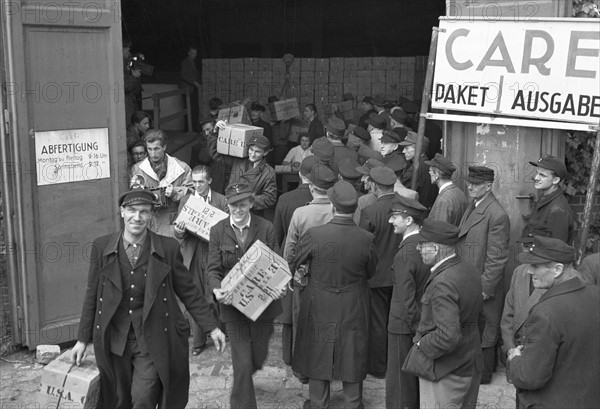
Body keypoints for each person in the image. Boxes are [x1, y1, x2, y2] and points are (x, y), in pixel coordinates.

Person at [69, 186, 226, 409]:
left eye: (144, 211)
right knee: (119, 400)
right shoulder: (102, 247)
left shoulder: (168, 247)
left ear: (151, 215)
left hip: (152, 337)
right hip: (115, 338)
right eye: (132, 210)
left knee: (143, 398)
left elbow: (189, 292)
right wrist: (82, 339)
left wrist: (212, 327)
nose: (137, 217)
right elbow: (92, 294)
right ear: (122, 212)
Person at [292, 180, 378, 409]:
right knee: (352, 349)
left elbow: (295, 262)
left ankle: (319, 402)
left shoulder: (315, 235)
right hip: (353, 301)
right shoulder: (366, 238)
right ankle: (353, 402)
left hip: (319, 299)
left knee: (318, 347)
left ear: (332, 206)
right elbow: (371, 271)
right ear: (354, 210)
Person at [207, 182, 286, 409]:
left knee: (257, 358)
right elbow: (212, 269)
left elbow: (276, 262)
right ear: (227, 205)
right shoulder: (217, 230)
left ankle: (245, 377)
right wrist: (216, 289)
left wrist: (279, 286)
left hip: (263, 307)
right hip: (233, 307)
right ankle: (242, 401)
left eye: (242, 204)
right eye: (233, 205)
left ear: (251, 203)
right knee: (242, 365)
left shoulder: (266, 227)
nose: (238, 210)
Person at [506, 236, 599, 408]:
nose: (529, 271)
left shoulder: (544, 313)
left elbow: (530, 377)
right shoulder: (596, 295)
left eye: (535, 266)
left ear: (557, 269)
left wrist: (515, 360)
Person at [404, 218, 483, 409]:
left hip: (445, 371)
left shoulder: (443, 281)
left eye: (422, 245)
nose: (418, 249)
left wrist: (422, 343)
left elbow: (448, 336)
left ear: (436, 248)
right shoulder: (468, 269)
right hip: (468, 360)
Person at [282, 163, 337, 373]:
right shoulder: (338, 212)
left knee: (302, 322)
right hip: (331, 277)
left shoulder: (300, 213)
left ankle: (302, 368)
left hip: (303, 276)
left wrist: (289, 275)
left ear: (312, 188)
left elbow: (290, 250)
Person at [458, 166, 510, 388]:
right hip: (470, 279)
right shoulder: (475, 204)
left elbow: (497, 257)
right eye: (469, 182)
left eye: (476, 184)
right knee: (474, 327)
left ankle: (484, 373)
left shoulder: (496, 214)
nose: (470, 186)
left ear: (488, 187)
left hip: (481, 283)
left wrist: (485, 289)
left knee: (486, 328)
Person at [174, 165, 228, 356]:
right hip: (193, 251)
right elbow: (178, 232)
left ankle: (221, 331)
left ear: (209, 181)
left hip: (214, 251)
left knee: (216, 290)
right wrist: (179, 230)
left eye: (201, 181)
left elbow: (228, 231)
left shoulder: (221, 200)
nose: (197, 185)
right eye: (194, 181)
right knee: (194, 293)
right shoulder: (186, 200)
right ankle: (198, 341)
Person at [386, 195, 429, 409]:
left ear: (409, 220)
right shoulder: (424, 245)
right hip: (418, 321)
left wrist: (415, 329)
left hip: (403, 325)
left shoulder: (405, 253)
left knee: (400, 385)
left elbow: (406, 298)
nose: (391, 221)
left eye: (395, 217)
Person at [359, 167, 400, 378]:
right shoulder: (407, 207)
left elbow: (363, 248)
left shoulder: (370, 212)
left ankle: (378, 366)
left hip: (376, 277)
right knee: (400, 321)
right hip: (402, 276)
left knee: (377, 324)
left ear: (374, 186)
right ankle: (398, 364)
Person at [500, 224, 553, 370]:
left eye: (533, 245)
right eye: (525, 245)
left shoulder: (555, 278)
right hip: (516, 354)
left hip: (541, 358)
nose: (528, 250)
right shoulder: (519, 272)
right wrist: (510, 349)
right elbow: (507, 318)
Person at [131, 129, 192, 237]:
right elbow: (134, 196)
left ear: (164, 147)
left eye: (156, 149)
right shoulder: (137, 169)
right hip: (149, 222)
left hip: (173, 223)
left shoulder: (182, 168)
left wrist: (175, 193)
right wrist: (147, 196)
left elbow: (193, 197)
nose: (153, 154)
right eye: (149, 149)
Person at [522, 155, 574, 244]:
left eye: (542, 175)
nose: (536, 178)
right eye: (537, 173)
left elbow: (556, 250)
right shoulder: (545, 198)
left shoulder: (558, 210)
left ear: (555, 180)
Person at [227, 134, 277, 218]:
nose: (252, 154)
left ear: (265, 152)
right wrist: (214, 133)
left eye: (257, 151)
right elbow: (216, 154)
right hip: (231, 210)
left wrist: (247, 200)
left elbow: (270, 198)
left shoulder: (269, 172)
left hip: (252, 215)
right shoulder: (238, 161)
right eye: (251, 149)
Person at [273, 155, 316, 248]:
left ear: (300, 174)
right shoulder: (327, 200)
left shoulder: (284, 199)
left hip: (290, 250)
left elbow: (277, 236)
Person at [424, 153, 468, 226]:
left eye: (430, 170)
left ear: (437, 174)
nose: (429, 172)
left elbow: (439, 231)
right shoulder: (460, 192)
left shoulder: (443, 200)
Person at [400, 132, 439, 210]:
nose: (403, 151)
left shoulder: (416, 167)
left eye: (407, 148)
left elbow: (402, 188)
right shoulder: (428, 164)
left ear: (419, 149)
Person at [353, 158, 385, 224]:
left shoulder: (363, 201)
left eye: (365, 176)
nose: (362, 179)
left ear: (373, 178)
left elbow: (357, 226)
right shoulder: (391, 197)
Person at [179, 45, 201, 131]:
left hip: (193, 89)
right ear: (189, 53)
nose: (194, 55)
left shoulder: (193, 62)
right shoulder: (185, 62)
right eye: (192, 53)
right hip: (188, 89)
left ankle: (193, 127)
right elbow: (183, 75)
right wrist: (194, 82)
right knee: (188, 109)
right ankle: (187, 128)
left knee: (194, 108)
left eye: (195, 53)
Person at [268, 95, 293, 165]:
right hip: (272, 146)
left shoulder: (286, 119)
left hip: (281, 147)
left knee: (279, 167)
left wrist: (282, 121)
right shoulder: (271, 117)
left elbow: (283, 136)